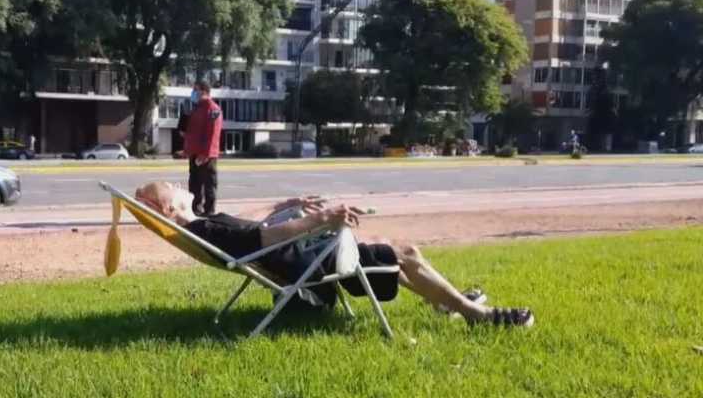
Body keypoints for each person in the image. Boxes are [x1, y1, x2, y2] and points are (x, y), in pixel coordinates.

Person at [134, 181, 535, 327]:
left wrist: (282, 203)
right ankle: (478, 316)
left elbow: (249, 228)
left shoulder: (205, 226)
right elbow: (262, 241)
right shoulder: (202, 229)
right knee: (403, 252)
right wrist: (323, 219)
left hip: (301, 256)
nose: (177, 183)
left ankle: (450, 303)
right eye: (169, 185)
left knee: (389, 259)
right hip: (309, 263)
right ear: (168, 208)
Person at [184, 80, 223, 215]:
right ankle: (195, 210)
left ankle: (209, 212)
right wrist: (187, 150)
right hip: (194, 154)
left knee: (209, 185)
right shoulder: (197, 109)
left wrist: (206, 153)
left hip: (207, 156)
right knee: (194, 184)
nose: (193, 93)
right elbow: (192, 132)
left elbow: (213, 133)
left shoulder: (213, 109)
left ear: (204, 91)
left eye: (196, 90)